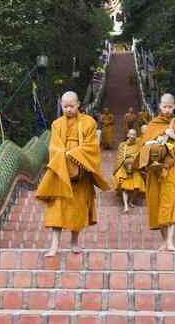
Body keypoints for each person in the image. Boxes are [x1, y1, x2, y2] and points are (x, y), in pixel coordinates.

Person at [36, 91, 110, 256]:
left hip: (81, 171)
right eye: (65, 106)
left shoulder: (89, 122)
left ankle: (74, 242)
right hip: (61, 172)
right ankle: (54, 245)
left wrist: (75, 155)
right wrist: (64, 158)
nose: (68, 109)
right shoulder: (56, 124)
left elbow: (92, 146)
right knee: (56, 209)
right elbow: (54, 147)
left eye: (72, 106)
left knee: (78, 208)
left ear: (78, 105)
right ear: (61, 105)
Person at [137, 93, 175, 251]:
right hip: (155, 170)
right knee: (156, 203)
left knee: (169, 202)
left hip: (172, 168)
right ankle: (164, 241)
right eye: (164, 106)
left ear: (174, 106)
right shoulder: (152, 124)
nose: (166, 110)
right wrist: (153, 145)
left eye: (170, 107)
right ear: (159, 106)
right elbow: (142, 147)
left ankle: (170, 241)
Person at [112, 129, 146, 213]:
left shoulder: (139, 143)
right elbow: (119, 158)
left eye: (134, 134)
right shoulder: (122, 145)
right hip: (124, 168)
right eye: (131, 134)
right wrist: (125, 163)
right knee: (124, 187)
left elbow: (145, 140)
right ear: (127, 135)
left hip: (135, 168)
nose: (132, 136)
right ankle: (126, 206)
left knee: (137, 186)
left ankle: (130, 201)